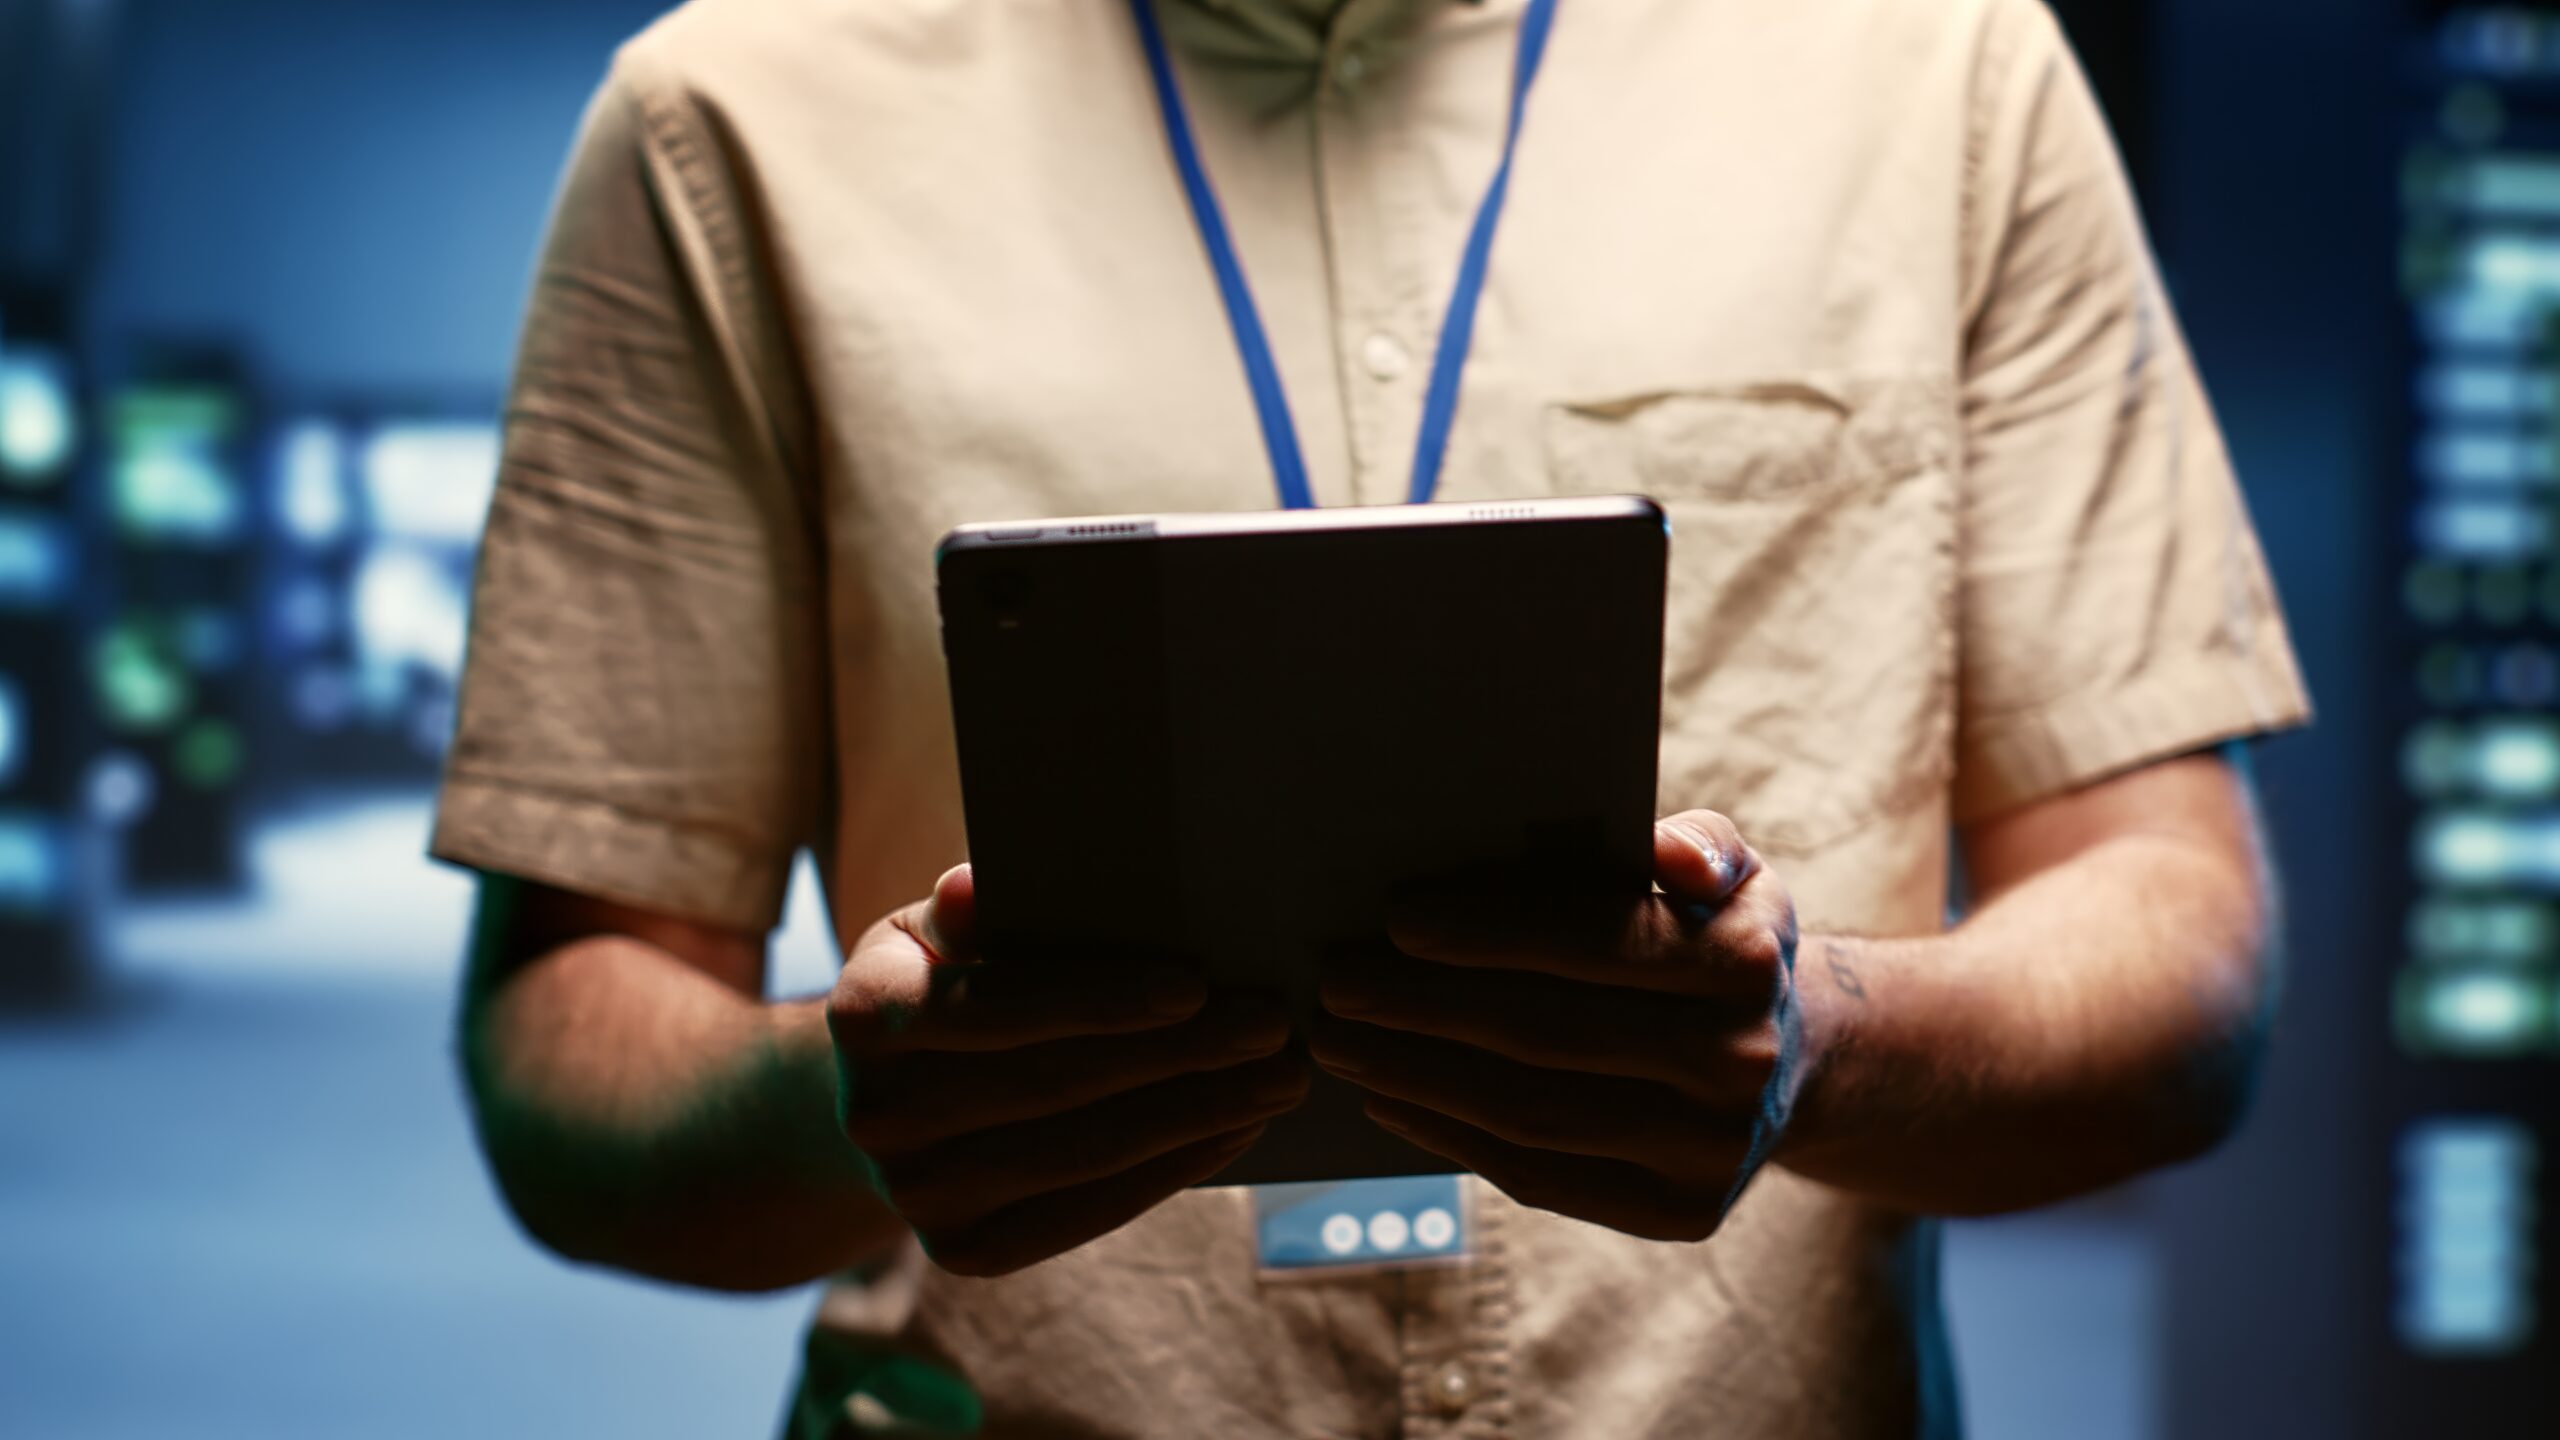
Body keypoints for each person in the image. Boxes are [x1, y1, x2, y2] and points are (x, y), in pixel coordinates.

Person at [432, 0, 2311, 1435]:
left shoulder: (1934, 74)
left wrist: (1824, 1041)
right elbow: (561, 1056)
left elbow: (2182, 952)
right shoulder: (733, 123)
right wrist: (872, 1110)